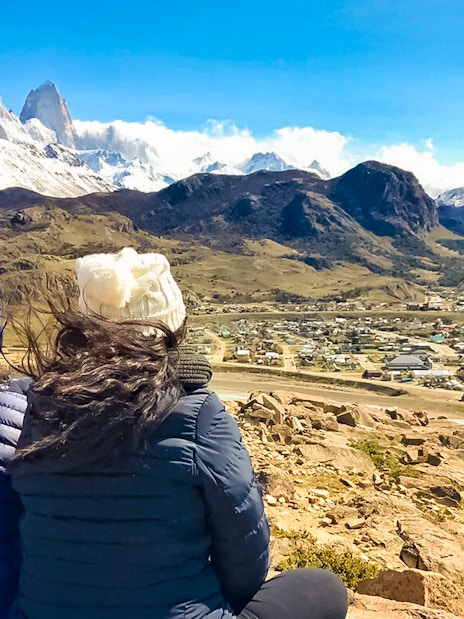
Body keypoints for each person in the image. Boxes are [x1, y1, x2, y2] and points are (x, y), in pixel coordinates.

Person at [5, 247, 347, 619]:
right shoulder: (199, 413)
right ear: (172, 334)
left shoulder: (42, 408)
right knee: (324, 587)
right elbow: (246, 562)